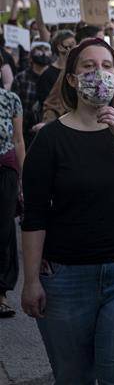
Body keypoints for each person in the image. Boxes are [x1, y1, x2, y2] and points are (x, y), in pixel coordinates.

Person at [20, 38, 114, 383]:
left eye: (106, 66)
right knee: (74, 377)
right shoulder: (50, 140)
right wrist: (30, 281)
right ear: (71, 78)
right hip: (68, 279)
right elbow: (34, 215)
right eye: (88, 66)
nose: (98, 73)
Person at [0, 85, 25, 319]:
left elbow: (18, 140)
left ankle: (1, 293)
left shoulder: (10, 99)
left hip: (5, 170)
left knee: (4, 228)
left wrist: (23, 178)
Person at [12, 41, 52, 146]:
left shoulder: (55, 78)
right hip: (24, 133)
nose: (43, 54)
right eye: (39, 50)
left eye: (46, 50)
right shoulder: (21, 78)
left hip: (50, 131)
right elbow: (14, 108)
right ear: (30, 56)